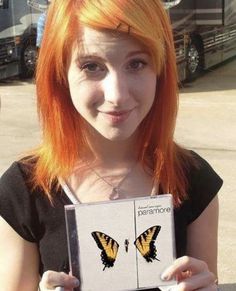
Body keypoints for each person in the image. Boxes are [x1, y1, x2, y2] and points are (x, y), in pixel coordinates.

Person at [0, 0, 223, 290]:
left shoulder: (194, 180)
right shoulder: (23, 191)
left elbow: (206, 276)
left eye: (137, 63)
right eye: (91, 66)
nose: (116, 94)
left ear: (160, 69)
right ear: (60, 74)